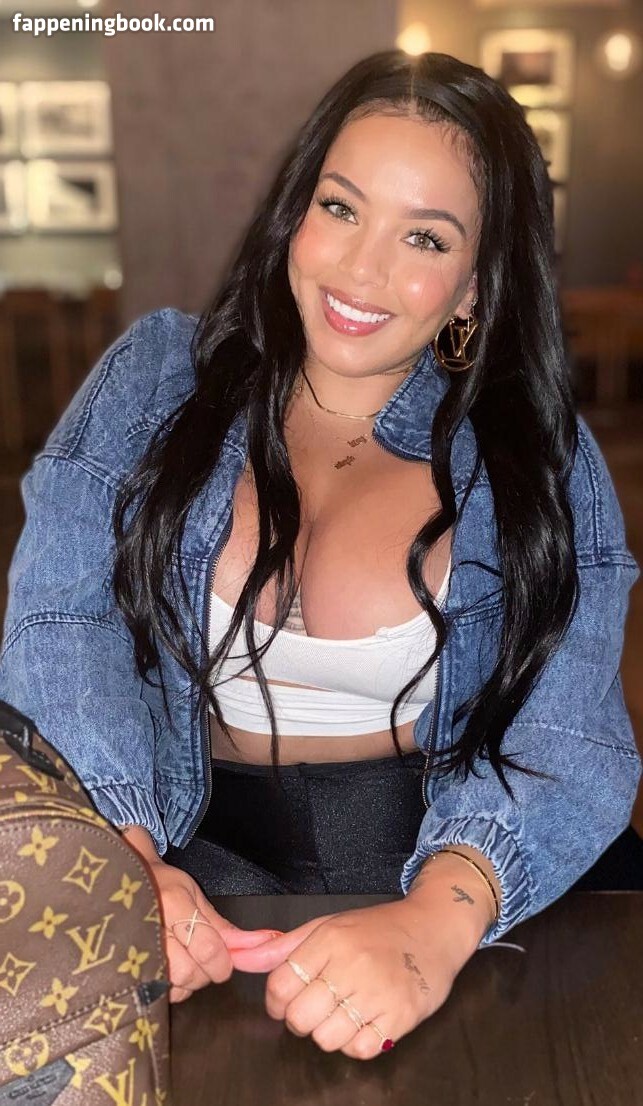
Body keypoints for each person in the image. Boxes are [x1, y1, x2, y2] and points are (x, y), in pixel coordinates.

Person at [1, 49, 640, 1061]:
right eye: (340, 208)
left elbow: (569, 728)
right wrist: (122, 864)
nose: (360, 269)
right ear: (295, 209)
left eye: (422, 236)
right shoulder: (158, 376)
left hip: (476, 886)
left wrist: (434, 927)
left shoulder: (532, 446)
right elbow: (60, 621)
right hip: (183, 864)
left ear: (473, 285)